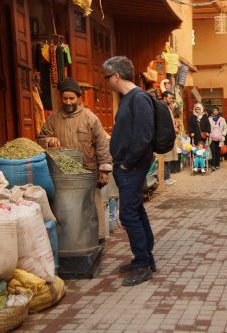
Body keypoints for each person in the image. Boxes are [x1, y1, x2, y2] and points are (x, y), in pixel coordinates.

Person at [37, 77, 112, 242]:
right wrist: (49, 141)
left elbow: (101, 144)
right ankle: (71, 242)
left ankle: (96, 239)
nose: (68, 102)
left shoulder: (90, 118)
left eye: (72, 98)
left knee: (91, 208)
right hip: (63, 175)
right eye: (65, 98)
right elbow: (41, 138)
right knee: (69, 211)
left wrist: (104, 170)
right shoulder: (53, 119)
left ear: (79, 98)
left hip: (88, 172)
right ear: (60, 98)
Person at [102, 56, 156, 286]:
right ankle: (145, 259)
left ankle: (143, 264)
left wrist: (126, 163)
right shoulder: (127, 99)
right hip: (127, 166)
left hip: (132, 166)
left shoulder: (139, 98)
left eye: (107, 77)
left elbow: (144, 136)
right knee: (136, 211)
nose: (106, 82)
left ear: (116, 76)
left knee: (128, 214)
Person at [158, 91, 179, 186]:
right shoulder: (161, 107)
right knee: (165, 158)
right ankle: (165, 178)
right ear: (164, 97)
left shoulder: (168, 107)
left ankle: (168, 177)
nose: (171, 100)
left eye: (172, 98)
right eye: (170, 98)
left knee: (168, 158)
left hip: (169, 134)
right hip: (164, 135)